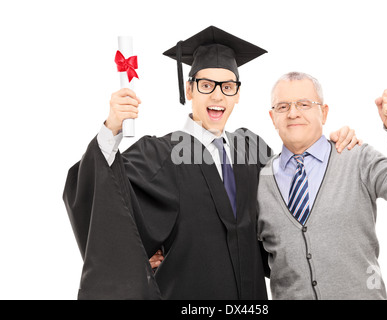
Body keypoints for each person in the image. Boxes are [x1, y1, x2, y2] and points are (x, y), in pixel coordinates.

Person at [63, 26, 359, 300]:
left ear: (238, 94)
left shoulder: (252, 149)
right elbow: (104, 193)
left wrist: (333, 147)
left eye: (228, 86)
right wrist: (112, 126)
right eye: (206, 85)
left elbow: (297, 197)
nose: (218, 95)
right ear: (189, 90)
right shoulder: (161, 152)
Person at [256, 72, 387, 300]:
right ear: (272, 117)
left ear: (324, 112)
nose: (293, 113)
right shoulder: (259, 182)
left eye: (304, 104)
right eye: (282, 106)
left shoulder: (356, 158)